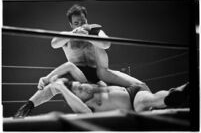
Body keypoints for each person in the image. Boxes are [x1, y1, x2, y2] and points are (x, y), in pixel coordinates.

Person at [39, 4, 145, 90]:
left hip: (99, 73)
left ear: (87, 20)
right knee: (52, 85)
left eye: (83, 22)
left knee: (138, 85)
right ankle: (29, 106)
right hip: (78, 74)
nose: (80, 25)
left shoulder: (95, 32)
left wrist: (88, 36)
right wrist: (75, 33)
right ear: (71, 24)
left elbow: (106, 44)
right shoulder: (67, 35)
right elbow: (54, 44)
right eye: (76, 23)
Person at [14, 75, 189, 117]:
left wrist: (30, 102)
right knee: (151, 101)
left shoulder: (88, 86)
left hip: (133, 92)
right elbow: (56, 90)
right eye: (78, 89)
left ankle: (180, 92)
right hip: (134, 107)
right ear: (76, 96)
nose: (82, 86)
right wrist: (29, 107)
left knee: (151, 97)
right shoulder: (86, 107)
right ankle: (176, 96)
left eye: (79, 84)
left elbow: (51, 87)